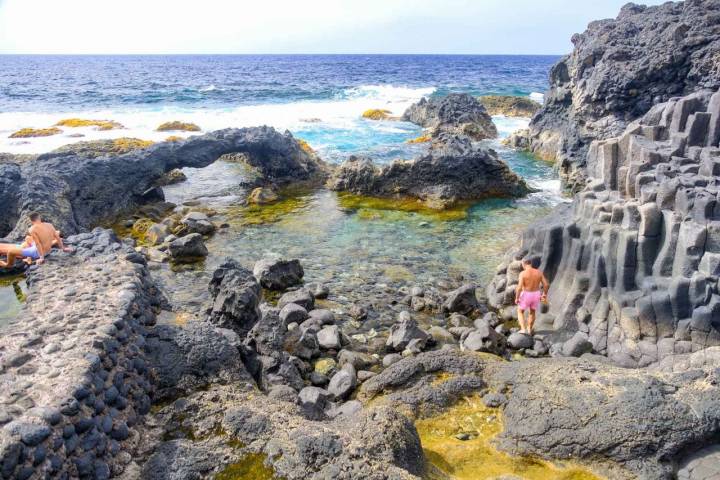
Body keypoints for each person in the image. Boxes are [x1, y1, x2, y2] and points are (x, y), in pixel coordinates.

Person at [0, 212, 71, 267]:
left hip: (37, 252)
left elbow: (38, 244)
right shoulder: (50, 225)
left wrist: (41, 258)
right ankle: (27, 257)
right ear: (39, 218)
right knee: (27, 239)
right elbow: (58, 237)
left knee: (10, 252)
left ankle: (7, 265)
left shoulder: (32, 229)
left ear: (31, 221)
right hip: (46, 250)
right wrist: (63, 248)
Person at [514, 257, 549, 335]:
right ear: (531, 264)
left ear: (524, 264)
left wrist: (516, 298)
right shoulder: (538, 272)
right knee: (532, 312)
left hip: (526, 294)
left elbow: (519, 287)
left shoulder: (522, 273)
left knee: (520, 311)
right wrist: (544, 295)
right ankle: (529, 329)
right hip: (536, 294)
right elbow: (546, 285)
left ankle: (523, 329)